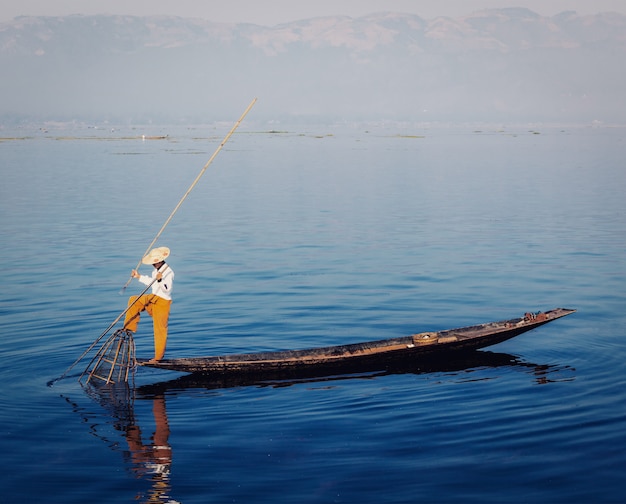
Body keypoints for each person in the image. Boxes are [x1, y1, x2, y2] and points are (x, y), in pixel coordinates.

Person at [124, 246, 174, 363]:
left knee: (160, 329)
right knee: (133, 300)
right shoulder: (155, 271)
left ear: (159, 261)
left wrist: (161, 280)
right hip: (153, 299)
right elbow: (152, 283)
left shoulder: (168, 272)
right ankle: (129, 327)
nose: (152, 264)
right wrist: (138, 276)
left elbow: (167, 289)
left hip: (162, 302)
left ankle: (158, 358)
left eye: (153, 263)